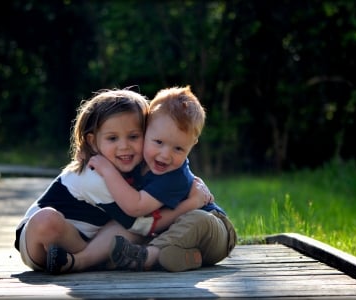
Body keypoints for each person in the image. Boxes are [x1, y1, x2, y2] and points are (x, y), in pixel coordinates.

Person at [14, 88, 209, 274]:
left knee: (124, 227)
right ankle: (103, 261)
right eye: (112, 138)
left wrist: (190, 181)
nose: (124, 146)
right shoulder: (95, 176)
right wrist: (192, 203)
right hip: (39, 242)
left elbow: (169, 181)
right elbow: (143, 223)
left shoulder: (131, 169)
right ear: (92, 141)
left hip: (84, 241)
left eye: (133, 136)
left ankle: (95, 259)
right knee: (49, 219)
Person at [90, 86, 237, 272]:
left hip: (216, 232)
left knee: (199, 219)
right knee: (165, 251)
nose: (165, 155)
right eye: (158, 142)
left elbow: (137, 207)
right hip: (172, 237)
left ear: (192, 145)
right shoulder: (135, 161)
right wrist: (89, 156)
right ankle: (183, 257)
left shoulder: (175, 176)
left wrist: (194, 203)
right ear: (145, 130)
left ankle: (146, 255)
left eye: (178, 149)